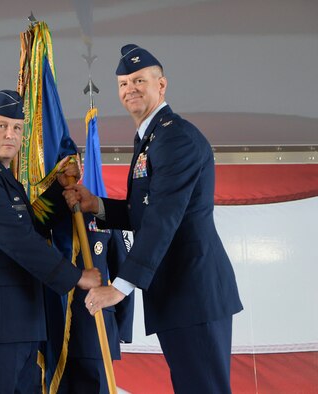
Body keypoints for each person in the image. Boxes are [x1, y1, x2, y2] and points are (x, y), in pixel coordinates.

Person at [63, 45, 243, 393]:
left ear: (162, 85)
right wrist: (96, 205)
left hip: (194, 291)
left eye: (139, 80)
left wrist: (119, 288)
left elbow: (164, 218)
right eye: (123, 83)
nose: (130, 88)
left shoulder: (175, 137)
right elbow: (145, 209)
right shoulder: (152, 136)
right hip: (179, 293)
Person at [0, 89, 102, 394]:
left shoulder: (0, 177)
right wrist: (76, 277)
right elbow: (18, 241)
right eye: (0, 126)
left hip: (19, 326)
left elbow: (30, 226)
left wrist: (59, 190)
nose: (10, 134)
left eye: (17, 128)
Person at [52, 214, 134, 394]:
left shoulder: (101, 208)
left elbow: (123, 270)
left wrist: (122, 329)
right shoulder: (43, 208)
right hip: (49, 327)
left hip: (95, 329)